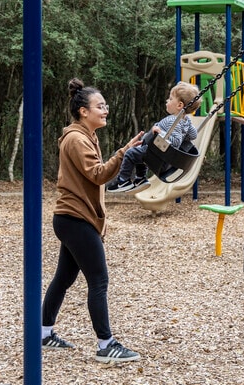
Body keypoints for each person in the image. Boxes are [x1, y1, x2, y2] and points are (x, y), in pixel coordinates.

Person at [41, 77, 143, 363]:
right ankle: (105, 344)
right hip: (75, 218)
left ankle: (43, 332)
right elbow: (97, 174)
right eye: (100, 106)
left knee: (64, 278)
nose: (105, 110)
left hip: (72, 217)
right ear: (83, 111)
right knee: (98, 280)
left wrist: (125, 152)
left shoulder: (85, 136)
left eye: (106, 105)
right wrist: (125, 152)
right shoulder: (75, 139)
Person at [107, 81, 202, 192]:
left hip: (158, 155)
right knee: (141, 155)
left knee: (130, 153)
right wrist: (188, 125)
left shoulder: (172, 121)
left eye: (170, 99)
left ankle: (123, 181)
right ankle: (140, 179)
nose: (167, 101)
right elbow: (193, 135)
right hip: (159, 155)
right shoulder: (185, 121)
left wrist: (160, 132)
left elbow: (176, 141)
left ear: (179, 105)